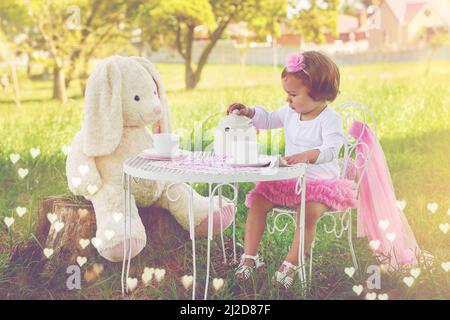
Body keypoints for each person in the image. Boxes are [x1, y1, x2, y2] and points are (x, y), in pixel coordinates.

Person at [227, 51, 357, 288]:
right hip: (289, 180)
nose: (288, 100)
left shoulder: (329, 119)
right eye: (287, 94)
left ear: (318, 93)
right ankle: (249, 258)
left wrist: (306, 157)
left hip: (320, 184)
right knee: (258, 201)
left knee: (308, 213)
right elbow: (267, 119)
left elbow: (331, 149)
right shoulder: (289, 113)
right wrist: (249, 112)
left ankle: (291, 263)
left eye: (294, 94)